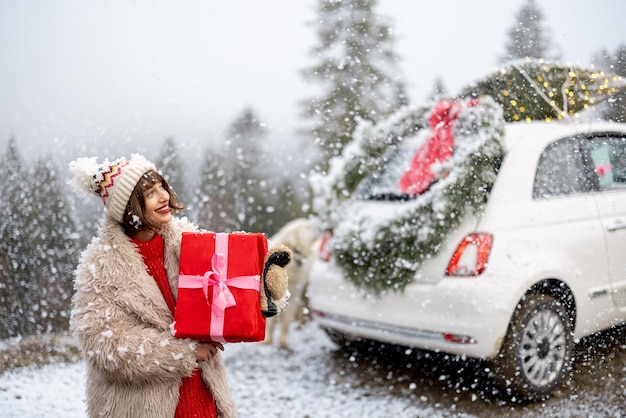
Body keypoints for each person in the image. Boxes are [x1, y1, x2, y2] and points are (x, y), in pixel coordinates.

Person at [68, 154, 237, 418]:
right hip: (141, 406)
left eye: (161, 187)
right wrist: (185, 353)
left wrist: (266, 281)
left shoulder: (187, 242)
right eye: (149, 193)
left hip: (204, 400)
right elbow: (104, 346)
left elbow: (233, 276)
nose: (163, 197)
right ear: (128, 208)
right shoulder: (101, 265)